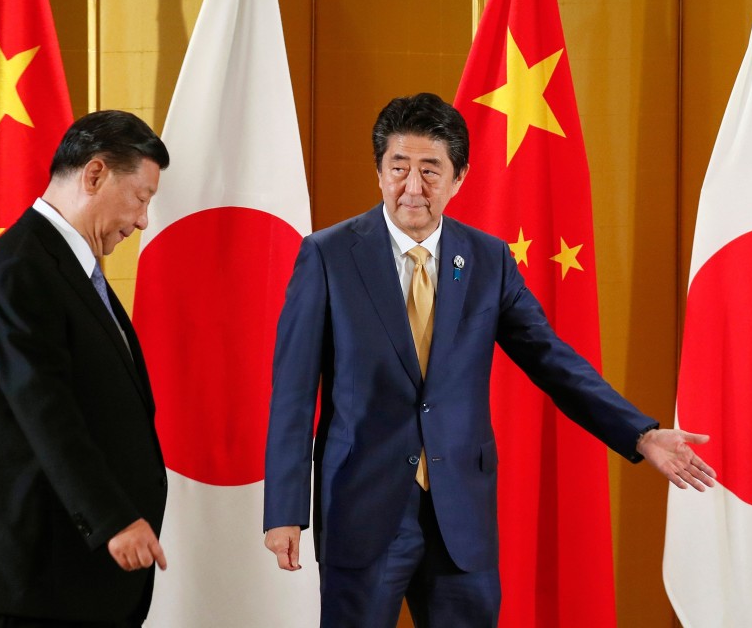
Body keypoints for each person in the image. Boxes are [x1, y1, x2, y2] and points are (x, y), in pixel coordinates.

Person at [262, 93, 716, 628]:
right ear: (379, 171)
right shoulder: (328, 255)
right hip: (360, 509)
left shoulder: (488, 260)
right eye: (398, 168)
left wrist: (639, 434)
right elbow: (293, 393)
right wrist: (285, 511)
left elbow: (551, 359)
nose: (413, 187)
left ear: (459, 178)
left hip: (461, 518)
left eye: (431, 170)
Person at [0, 110, 171, 628]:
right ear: (94, 175)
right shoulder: (21, 269)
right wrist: (113, 519)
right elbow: (46, 412)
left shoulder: (69, 268)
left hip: (77, 580)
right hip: (35, 582)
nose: (141, 221)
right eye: (141, 197)